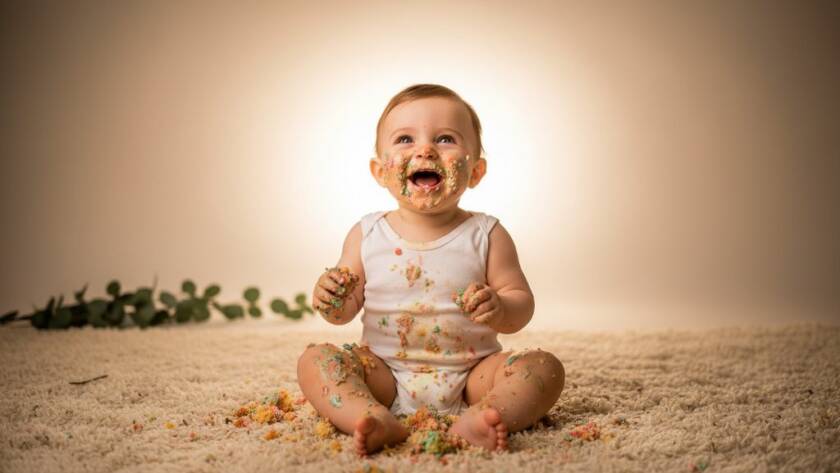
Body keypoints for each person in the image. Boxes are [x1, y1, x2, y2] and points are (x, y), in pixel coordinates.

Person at [297, 83, 565, 457]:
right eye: (405, 139)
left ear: (476, 170)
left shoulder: (487, 234)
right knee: (316, 360)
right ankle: (370, 415)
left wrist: (502, 308)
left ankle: (485, 415)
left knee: (543, 368)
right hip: (384, 373)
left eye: (444, 139)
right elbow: (342, 312)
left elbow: (521, 303)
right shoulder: (367, 233)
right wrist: (330, 296)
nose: (424, 149)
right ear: (379, 171)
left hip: (474, 375)